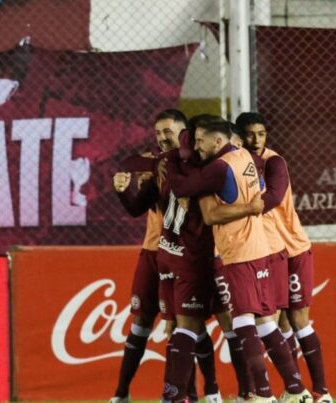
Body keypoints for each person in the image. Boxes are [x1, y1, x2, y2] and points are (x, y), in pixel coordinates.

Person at [166, 120, 313, 403]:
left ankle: (264, 396)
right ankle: (297, 391)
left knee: (243, 322)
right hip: (260, 249)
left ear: (218, 142)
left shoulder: (218, 169)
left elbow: (183, 189)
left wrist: (174, 160)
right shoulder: (244, 156)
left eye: (200, 142)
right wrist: (249, 205)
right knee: (265, 324)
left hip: (239, 252)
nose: (197, 147)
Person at [110, 109, 219, 403]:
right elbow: (137, 204)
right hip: (153, 251)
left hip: (186, 253)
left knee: (186, 323)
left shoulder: (198, 165)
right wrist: (123, 190)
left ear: (184, 134)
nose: (161, 138)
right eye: (158, 133)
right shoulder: (157, 166)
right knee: (143, 320)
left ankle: (206, 392)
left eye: (167, 132)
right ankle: (121, 395)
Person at [236, 112, 332, 403]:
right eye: (250, 134)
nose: (256, 140)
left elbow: (274, 198)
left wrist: (231, 209)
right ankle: (292, 391)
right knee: (275, 322)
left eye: (261, 134)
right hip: (268, 250)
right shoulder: (237, 164)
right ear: (239, 136)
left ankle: (320, 392)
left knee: (298, 320)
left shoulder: (274, 162)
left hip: (293, 247)